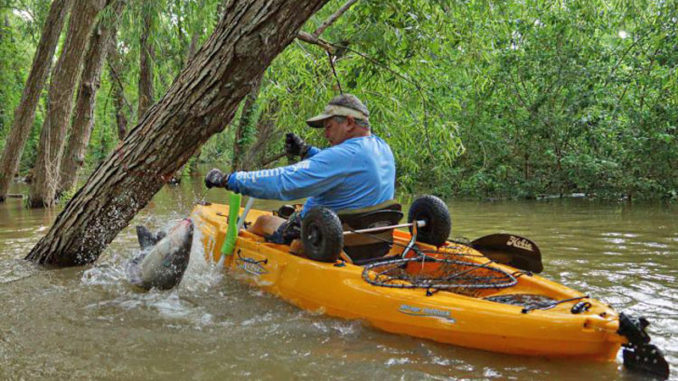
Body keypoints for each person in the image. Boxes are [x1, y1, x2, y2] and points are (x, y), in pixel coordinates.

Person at [205, 94, 395, 245]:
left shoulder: (343, 155)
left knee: (263, 221)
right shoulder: (382, 148)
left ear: (349, 122)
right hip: (371, 240)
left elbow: (284, 182)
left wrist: (229, 180)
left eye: (329, 127)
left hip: (325, 241)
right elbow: (348, 170)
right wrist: (307, 152)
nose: (326, 134)